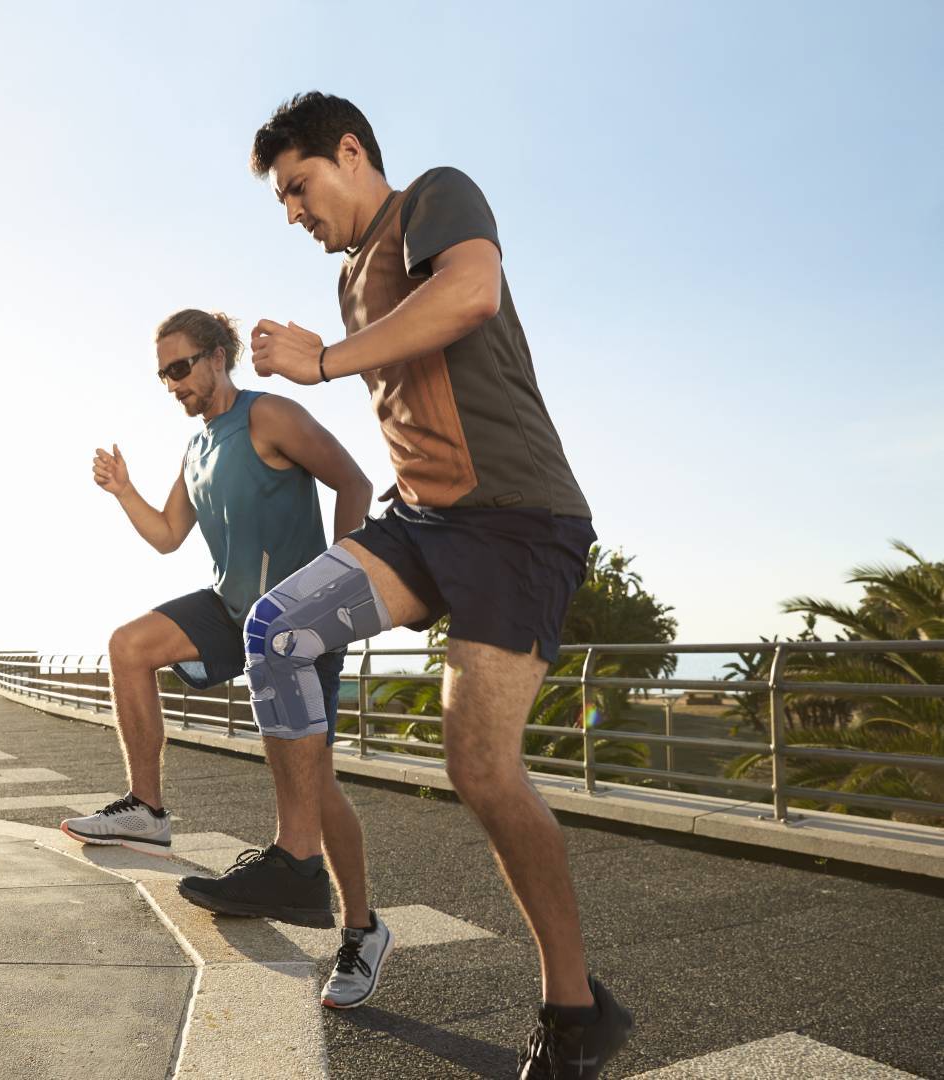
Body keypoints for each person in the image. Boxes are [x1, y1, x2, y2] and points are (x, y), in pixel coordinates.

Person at [181, 93, 632, 1076]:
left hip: (516, 522)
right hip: (422, 523)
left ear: (351, 152)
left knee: (479, 770)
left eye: (299, 187)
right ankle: (300, 861)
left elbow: (468, 295)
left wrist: (326, 362)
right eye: (282, 201)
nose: (293, 212)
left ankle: (574, 1005)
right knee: (280, 626)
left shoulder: (435, 196)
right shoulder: (348, 279)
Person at [61, 309, 393, 1007]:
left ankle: (362, 931)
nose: (172, 384)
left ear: (217, 357)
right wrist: (124, 491)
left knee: (313, 787)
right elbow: (166, 536)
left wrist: (335, 587)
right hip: (229, 608)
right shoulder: (197, 447)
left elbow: (355, 482)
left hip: (297, 624)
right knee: (130, 646)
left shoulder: (269, 416)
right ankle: (147, 808)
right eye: (162, 375)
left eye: (180, 367)